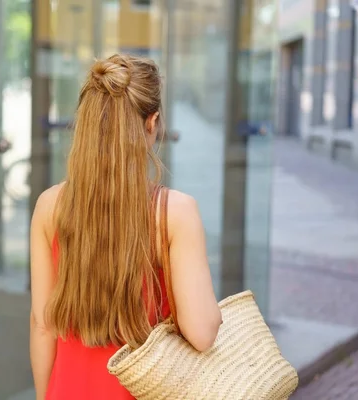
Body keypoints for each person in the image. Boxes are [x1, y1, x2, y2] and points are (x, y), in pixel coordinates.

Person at [29, 54, 222, 400]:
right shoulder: (175, 213)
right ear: (153, 123)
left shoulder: (49, 207)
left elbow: (42, 326)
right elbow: (202, 333)